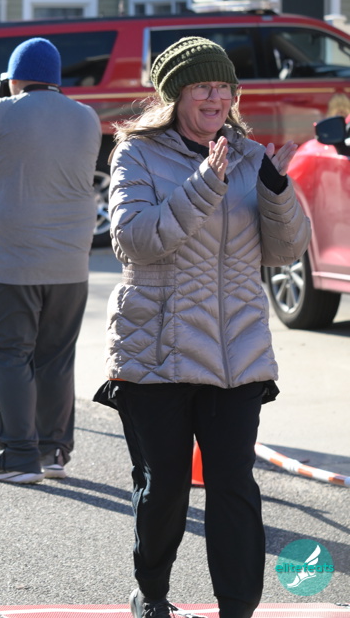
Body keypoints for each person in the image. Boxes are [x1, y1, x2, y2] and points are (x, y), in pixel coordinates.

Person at [93, 37, 310, 618]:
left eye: (224, 87)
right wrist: (205, 184)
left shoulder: (250, 156)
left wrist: (277, 191)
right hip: (156, 351)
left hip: (237, 353)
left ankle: (237, 608)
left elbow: (286, 250)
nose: (216, 98)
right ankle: (152, 593)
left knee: (233, 486)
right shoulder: (136, 154)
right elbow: (134, 240)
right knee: (164, 487)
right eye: (202, 87)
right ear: (175, 96)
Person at [0, 37, 101, 484]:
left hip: (11, 264)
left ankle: (17, 456)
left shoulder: (0, 111)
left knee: (10, 357)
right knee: (56, 359)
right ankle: (52, 452)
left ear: (14, 77)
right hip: (70, 266)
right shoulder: (86, 116)